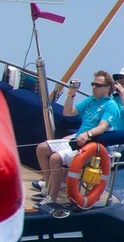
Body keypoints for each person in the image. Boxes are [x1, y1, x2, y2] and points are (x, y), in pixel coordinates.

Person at [35, 70, 122, 207]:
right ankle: (48, 186)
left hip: (91, 144)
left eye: (98, 85)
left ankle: (52, 198)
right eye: (93, 84)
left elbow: (102, 127)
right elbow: (68, 112)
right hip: (76, 138)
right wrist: (71, 93)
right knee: (42, 148)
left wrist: (88, 134)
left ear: (107, 88)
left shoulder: (111, 106)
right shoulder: (91, 100)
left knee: (55, 158)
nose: (94, 87)